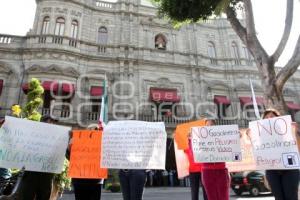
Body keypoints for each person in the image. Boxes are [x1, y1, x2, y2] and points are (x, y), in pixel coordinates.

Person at [261, 108, 299, 200]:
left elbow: (297, 147)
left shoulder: (288, 131)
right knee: (278, 198)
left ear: (278, 119)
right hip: (272, 170)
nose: (269, 119)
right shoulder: (261, 136)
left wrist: (295, 132)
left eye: (272, 116)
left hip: (290, 168)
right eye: (266, 117)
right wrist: (251, 136)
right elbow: (258, 153)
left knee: (291, 197)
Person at [19, 115, 57, 200]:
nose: (53, 125)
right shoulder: (31, 134)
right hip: (31, 174)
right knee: (27, 196)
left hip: (47, 175)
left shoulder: (58, 138)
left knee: (44, 196)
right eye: (51, 122)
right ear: (43, 123)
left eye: (54, 123)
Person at [69, 124, 104, 200]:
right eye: (91, 129)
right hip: (79, 181)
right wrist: (70, 148)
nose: (94, 131)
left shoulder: (102, 144)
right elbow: (70, 158)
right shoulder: (77, 141)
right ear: (87, 131)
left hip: (96, 181)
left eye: (96, 130)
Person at [201, 115, 230, 200]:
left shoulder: (222, 137)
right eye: (207, 125)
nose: (209, 127)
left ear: (216, 127)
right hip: (207, 172)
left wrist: (236, 136)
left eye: (212, 125)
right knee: (211, 197)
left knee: (223, 197)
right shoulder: (199, 140)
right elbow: (194, 155)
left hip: (221, 171)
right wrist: (190, 141)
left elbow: (231, 148)